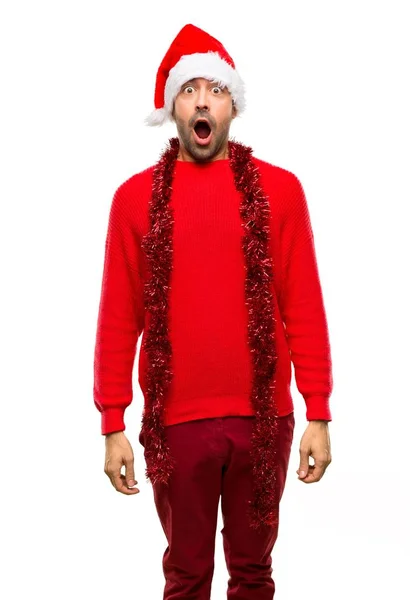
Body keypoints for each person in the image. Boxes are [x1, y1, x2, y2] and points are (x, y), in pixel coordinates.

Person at [93, 22, 333, 600]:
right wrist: (112, 423)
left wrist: (318, 412)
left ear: (233, 105)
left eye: (216, 89)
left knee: (253, 576)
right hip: (175, 427)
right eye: (189, 88)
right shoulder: (133, 199)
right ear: (172, 105)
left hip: (263, 420)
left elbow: (303, 305)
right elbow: (118, 318)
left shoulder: (281, 191)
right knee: (186, 575)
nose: (203, 100)